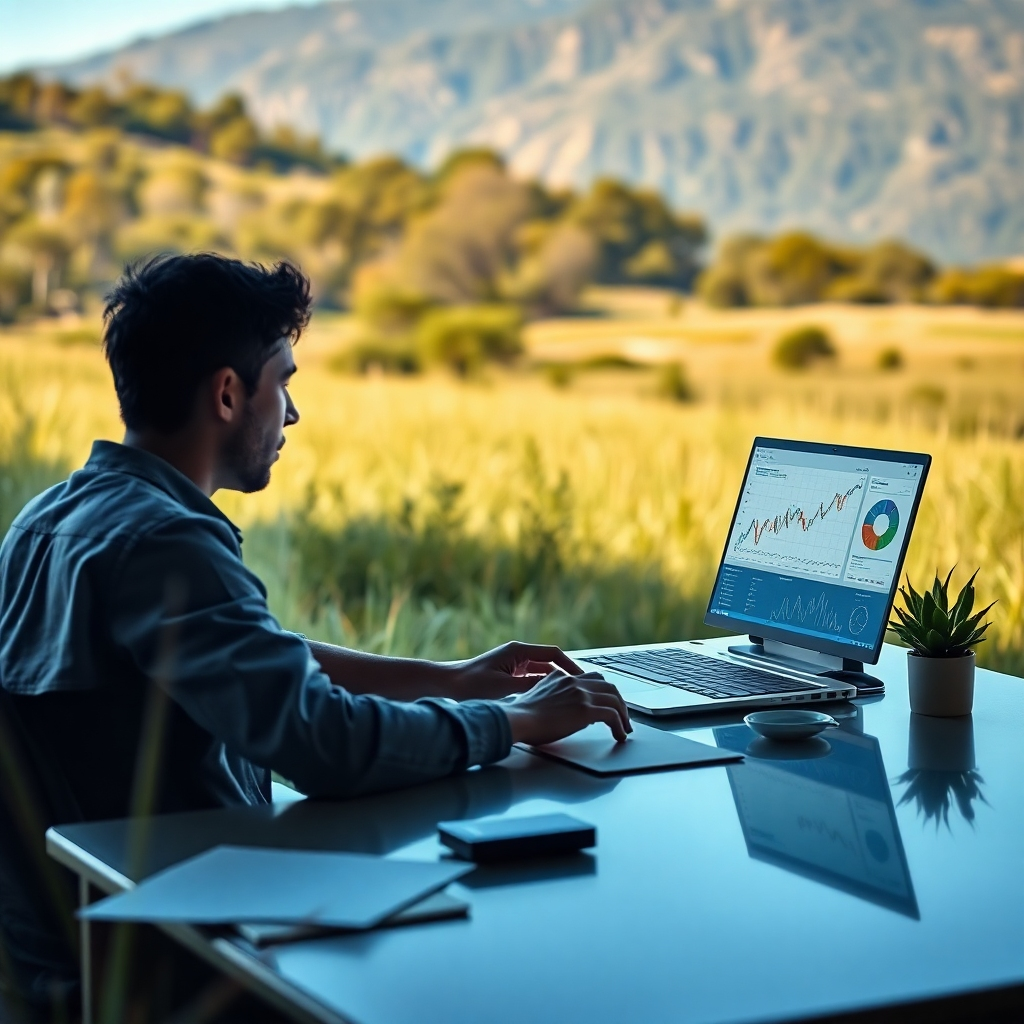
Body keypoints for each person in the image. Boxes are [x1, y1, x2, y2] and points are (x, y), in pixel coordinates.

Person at [0, 253, 630, 822]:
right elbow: (326, 744)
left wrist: (453, 679)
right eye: (283, 382)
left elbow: (253, 657)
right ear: (226, 394)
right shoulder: (169, 543)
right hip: (184, 921)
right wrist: (516, 720)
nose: (292, 413)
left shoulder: (44, 522)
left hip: (85, 919)